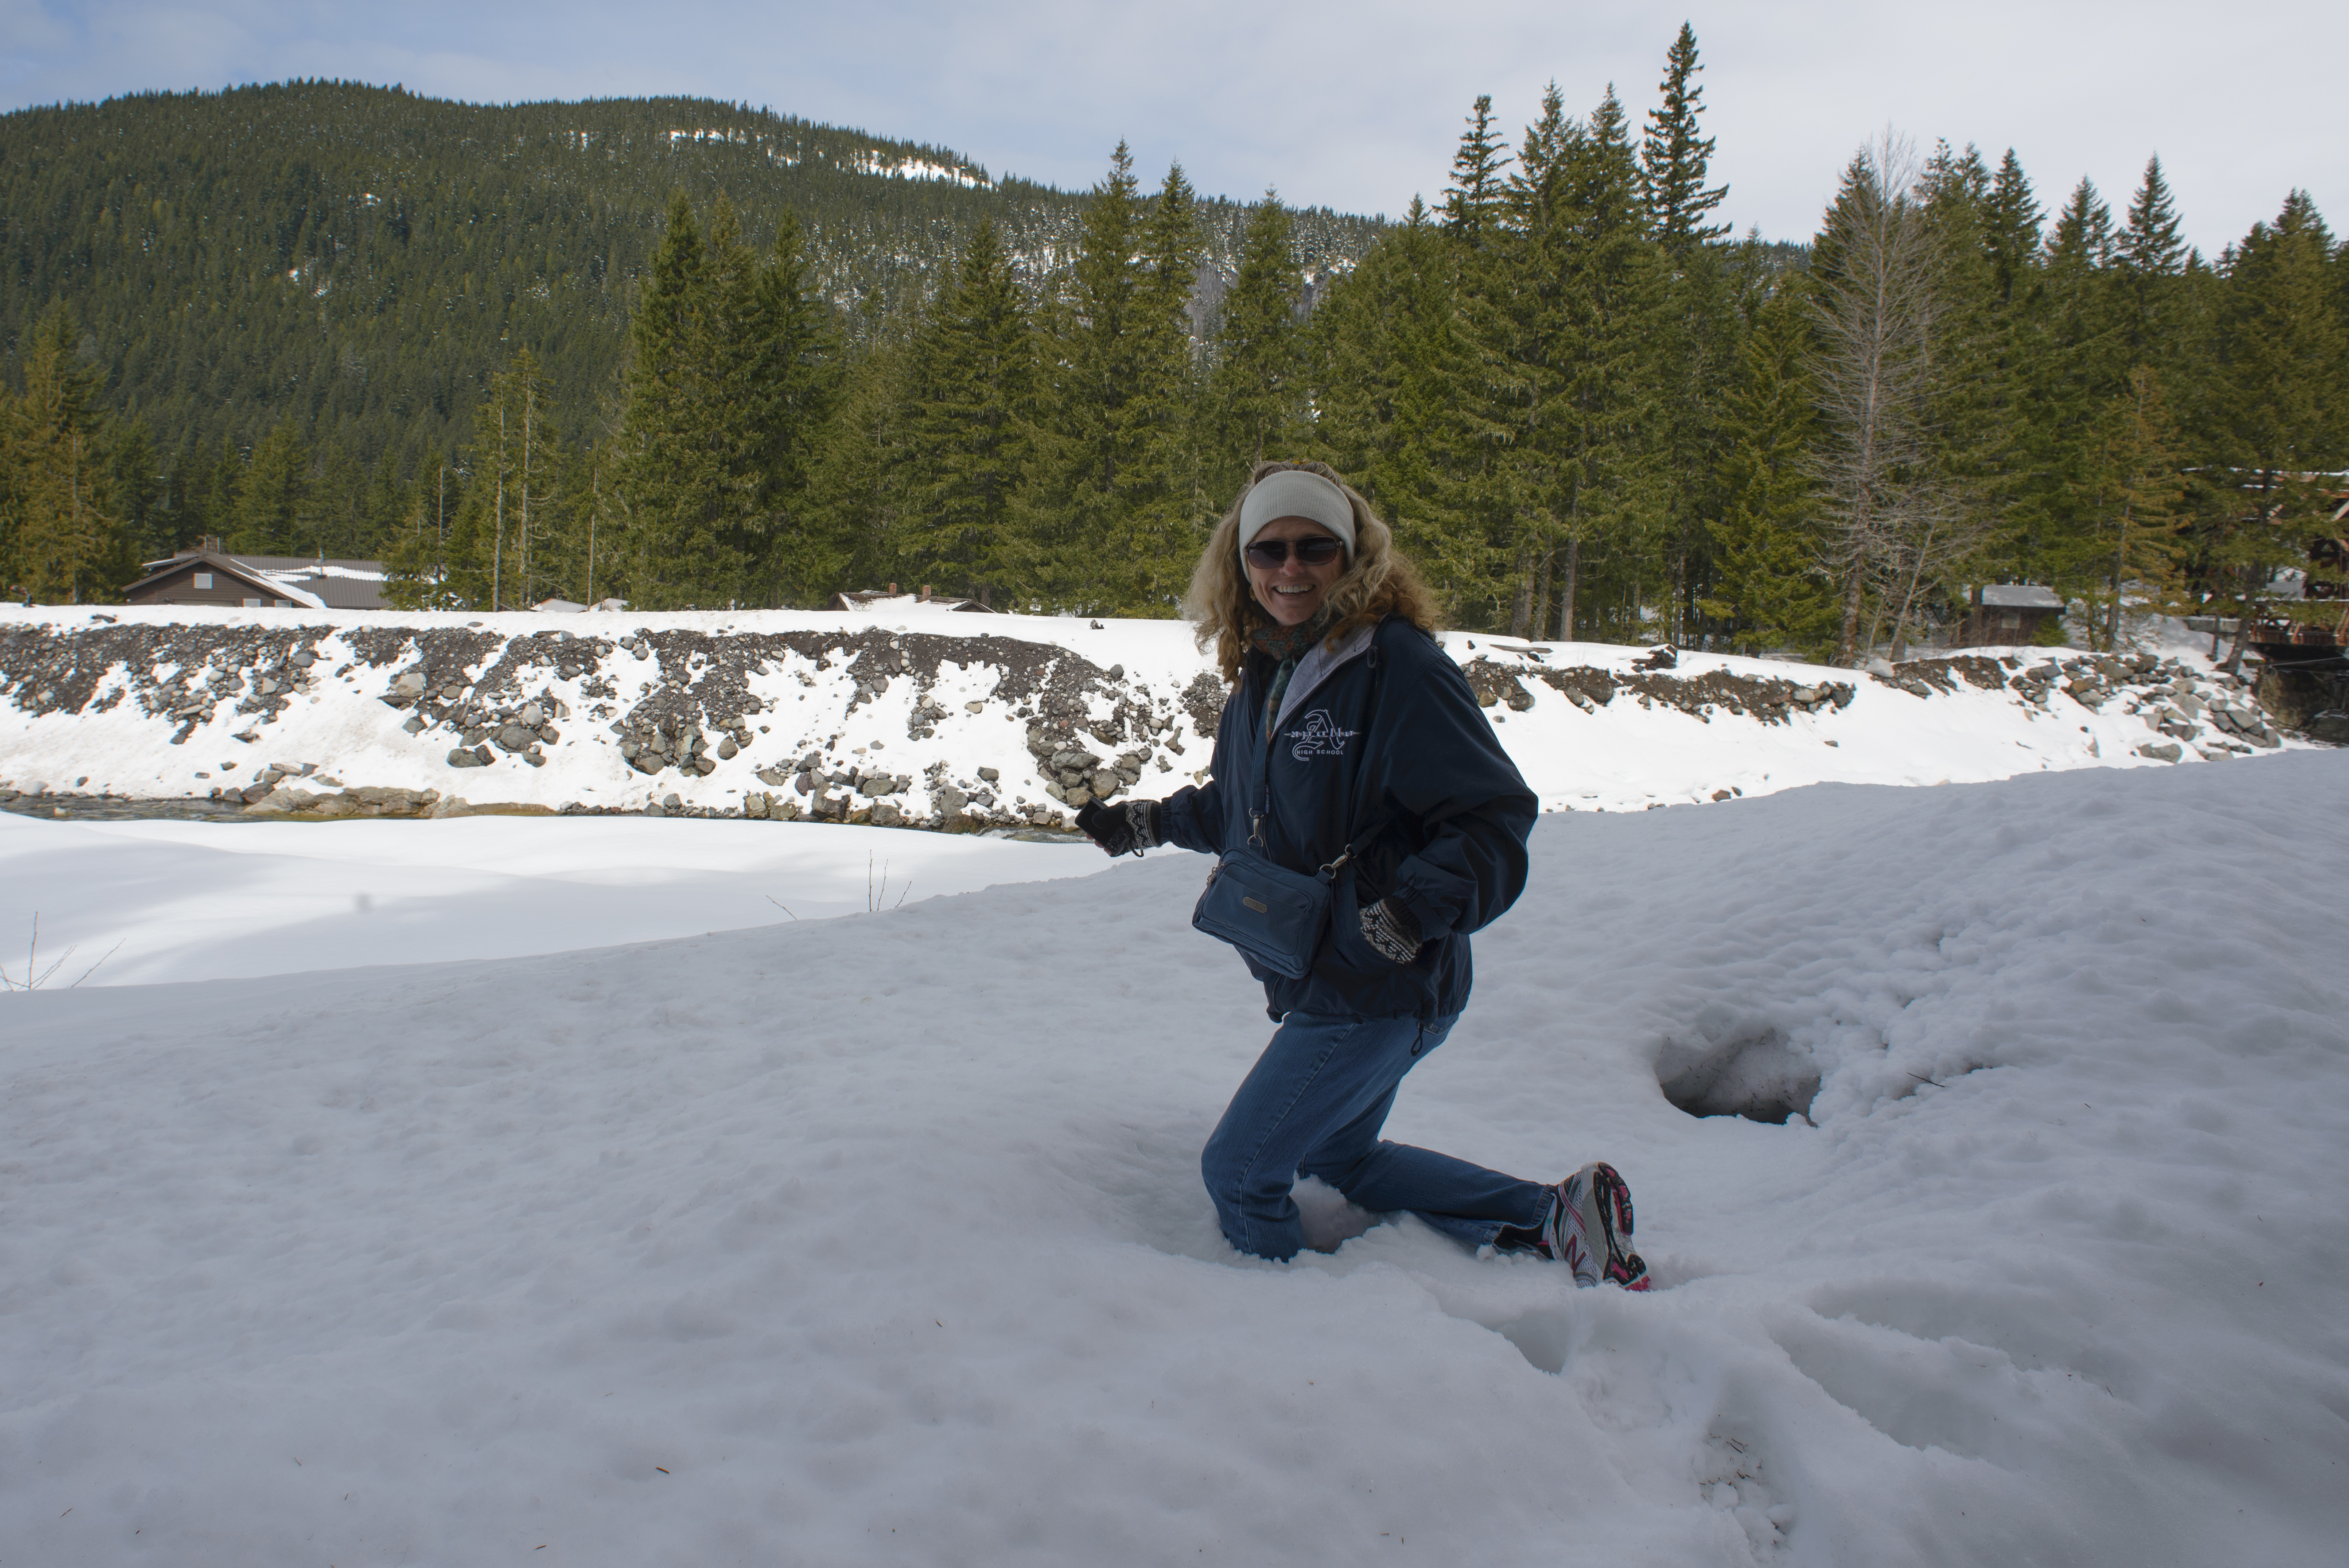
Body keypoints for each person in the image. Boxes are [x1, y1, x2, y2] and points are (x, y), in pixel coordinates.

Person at [1075, 459, 1649, 1288]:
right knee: (1335, 1155)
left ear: (1354, 557)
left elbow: (1491, 819)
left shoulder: (1397, 669)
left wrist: (1412, 912)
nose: (1290, 569)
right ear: (1240, 565)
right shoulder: (1264, 673)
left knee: (1240, 1175)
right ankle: (1552, 1214)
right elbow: (1248, 812)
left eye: (1315, 548)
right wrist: (1144, 823)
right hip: (1325, 971)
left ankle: (1303, 1345)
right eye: (1267, 552)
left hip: (1379, 982)